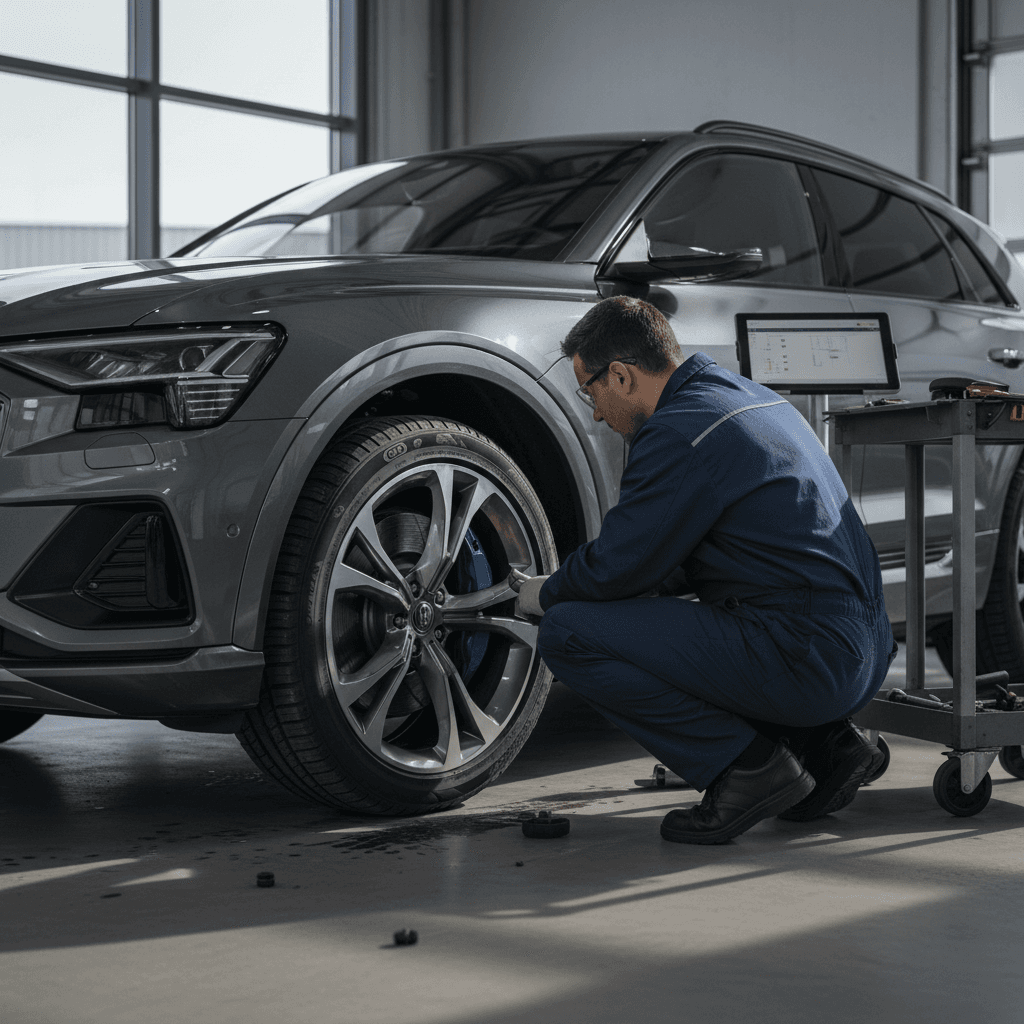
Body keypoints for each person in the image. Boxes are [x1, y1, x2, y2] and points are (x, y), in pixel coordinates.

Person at [515, 295, 896, 845]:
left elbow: (616, 568)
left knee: (568, 631)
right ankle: (826, 747)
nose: (595, 412)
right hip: (864, 650)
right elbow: (711, 557)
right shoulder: (753, 399)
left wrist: (541, 591)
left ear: (620, 375)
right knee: (695, 618)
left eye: (590, 392)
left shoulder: (678, 430)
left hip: (811, 658)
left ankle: (747, 769)